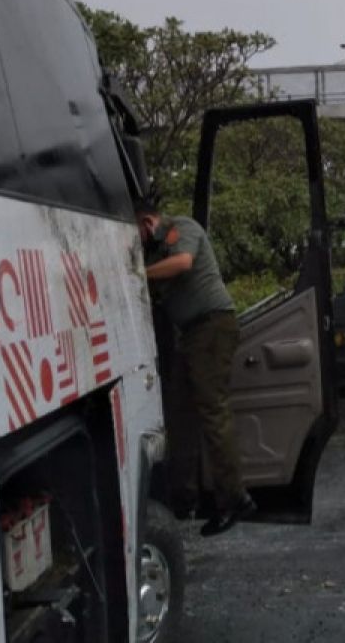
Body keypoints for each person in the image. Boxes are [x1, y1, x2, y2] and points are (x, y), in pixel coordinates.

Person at [136, 200, 254, 537]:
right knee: (179, 415)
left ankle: (234, 498)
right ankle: (182, 498)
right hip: (189, 334)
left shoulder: (180, 228)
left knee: (212, 411)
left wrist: (137, 273)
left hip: (212, 326)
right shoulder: (154, 253)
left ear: (147, 222)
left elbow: (184, 263)